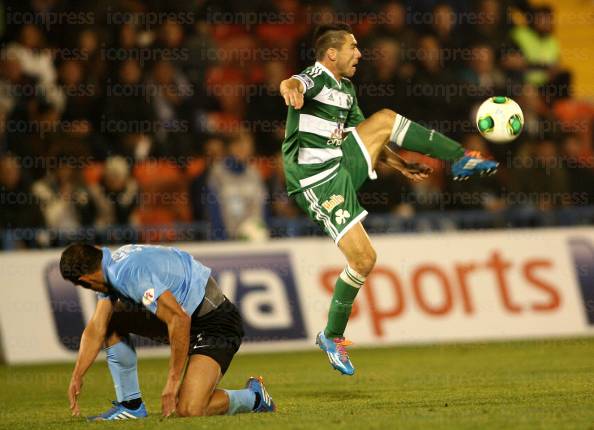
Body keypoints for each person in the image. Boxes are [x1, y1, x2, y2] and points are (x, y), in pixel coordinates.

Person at [279, 23, 498, 375]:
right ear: (332, 54)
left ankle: (459, 157)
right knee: (364, 260)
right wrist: (288, 87)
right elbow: (294, 83)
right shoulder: (315, 76)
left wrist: (401, 165)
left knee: (384, 120)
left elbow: (371, 136)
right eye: (353, 47)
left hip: (341, 162)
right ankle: (332, 336)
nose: (359, 53)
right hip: (315, 180)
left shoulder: (346, 89)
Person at [59, 243, 275, 421]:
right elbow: (97, 327)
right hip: (190, 317)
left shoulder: (127, 273)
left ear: (85, 281)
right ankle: (131, 406)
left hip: (216, 324)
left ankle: (254, 397)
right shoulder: (111, 269)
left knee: (188, 410)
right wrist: (77, 374)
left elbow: (179, 319)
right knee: (110, 322)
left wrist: (172, 383)